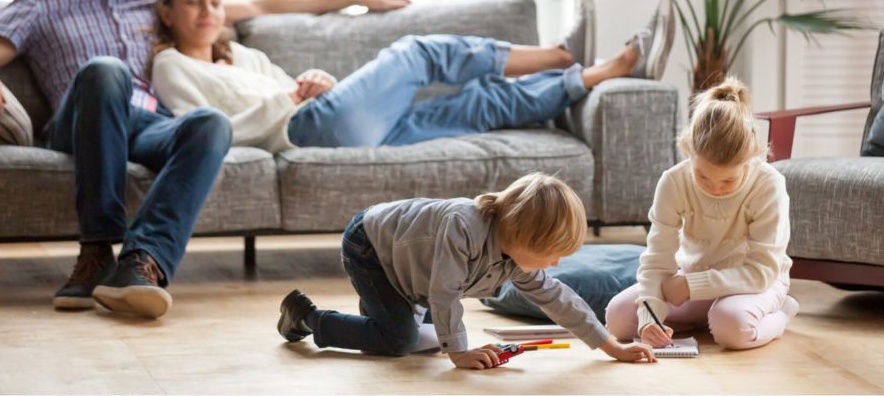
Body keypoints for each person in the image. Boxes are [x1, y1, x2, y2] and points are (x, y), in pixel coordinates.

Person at [0, 0, 409, 319]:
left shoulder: (150, 0)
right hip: (81, 122)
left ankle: (142, 264)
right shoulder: (41, 2)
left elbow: (260, 7)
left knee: (209, 122)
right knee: (106, 70)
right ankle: (95, 251)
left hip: (145, 124)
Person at [149, 0, 662, 153]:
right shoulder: (170, 65)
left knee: (480, 103)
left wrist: (314, 82)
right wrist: (291, 100)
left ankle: (592, 74)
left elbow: (289, 81)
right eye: (193, 1)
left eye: (215, 0)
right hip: (306, 128)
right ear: (167, 12)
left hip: (331, 121)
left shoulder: (243, 56)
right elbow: (209, 133)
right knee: (417, 52)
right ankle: (556, 54)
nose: (208, 10)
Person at [276, 173, 656, 369]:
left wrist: (612, 346)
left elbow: (559, 299)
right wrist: (459, 353)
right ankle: (308, 317)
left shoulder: (516, 257)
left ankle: (381, 319)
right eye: (550, 253)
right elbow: (444, 293)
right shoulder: (463, 226)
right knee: (401, 341)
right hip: (372, 247)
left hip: (412, 270)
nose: (555, 264)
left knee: (418, 339)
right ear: (522, 236)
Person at [604, 78, 800, 350]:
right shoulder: (673, 181)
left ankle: (779, 314)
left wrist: (690, 286)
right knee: (618, 319)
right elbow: (657, 260)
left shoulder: (769, 184)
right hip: (693, 277)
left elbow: (761, 272)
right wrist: (650, 318)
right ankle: (706, 317)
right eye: (703, 177)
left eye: (728, 181)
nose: (715, 189)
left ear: (752, 157)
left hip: (755, 283)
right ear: (688, 149)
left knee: (732, 328)